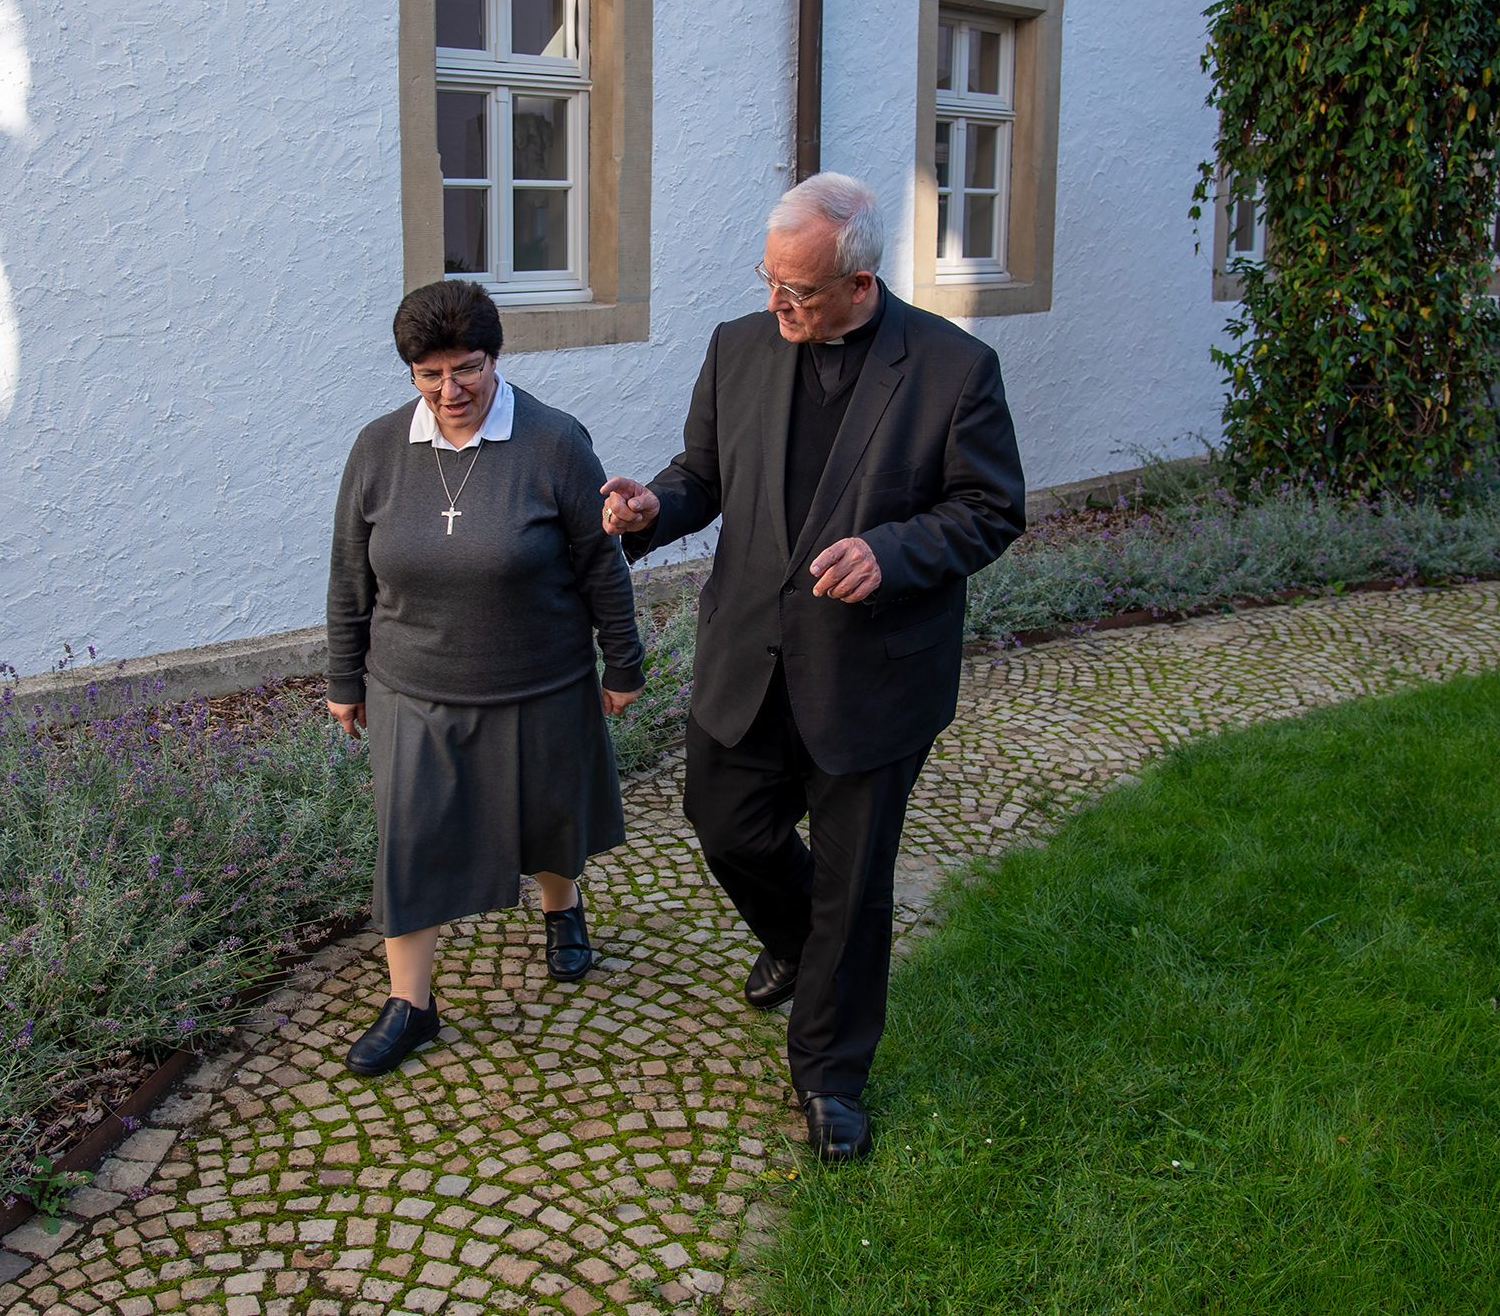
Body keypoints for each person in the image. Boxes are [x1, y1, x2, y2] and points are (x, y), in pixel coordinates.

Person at [600, 173, 1025, 1162]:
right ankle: (795, 943)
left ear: (859, 284)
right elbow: (700, 476)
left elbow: (989, 510)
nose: (773, 306)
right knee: (724, 824)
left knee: (852, 883)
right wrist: (652, 509)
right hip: (748, 655)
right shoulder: (737, 347)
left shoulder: (953, 370)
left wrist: (894, 553)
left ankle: (829, 1075)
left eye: (795, 291)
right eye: (768, 281)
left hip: (873, 674)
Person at [327, 279, 645, 1078]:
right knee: (412, 838)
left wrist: (624, 659)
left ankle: (562, 906)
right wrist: (344, 674)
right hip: (412, 682)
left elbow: (599, 562)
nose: (450, 391)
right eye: (429, 375)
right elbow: (348, 575)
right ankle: (411, 1004)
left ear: (496, 357)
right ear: (409, 375)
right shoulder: (375, 451)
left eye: (466, 368)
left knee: (544, 814)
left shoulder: (554, 442)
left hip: (539, 673)